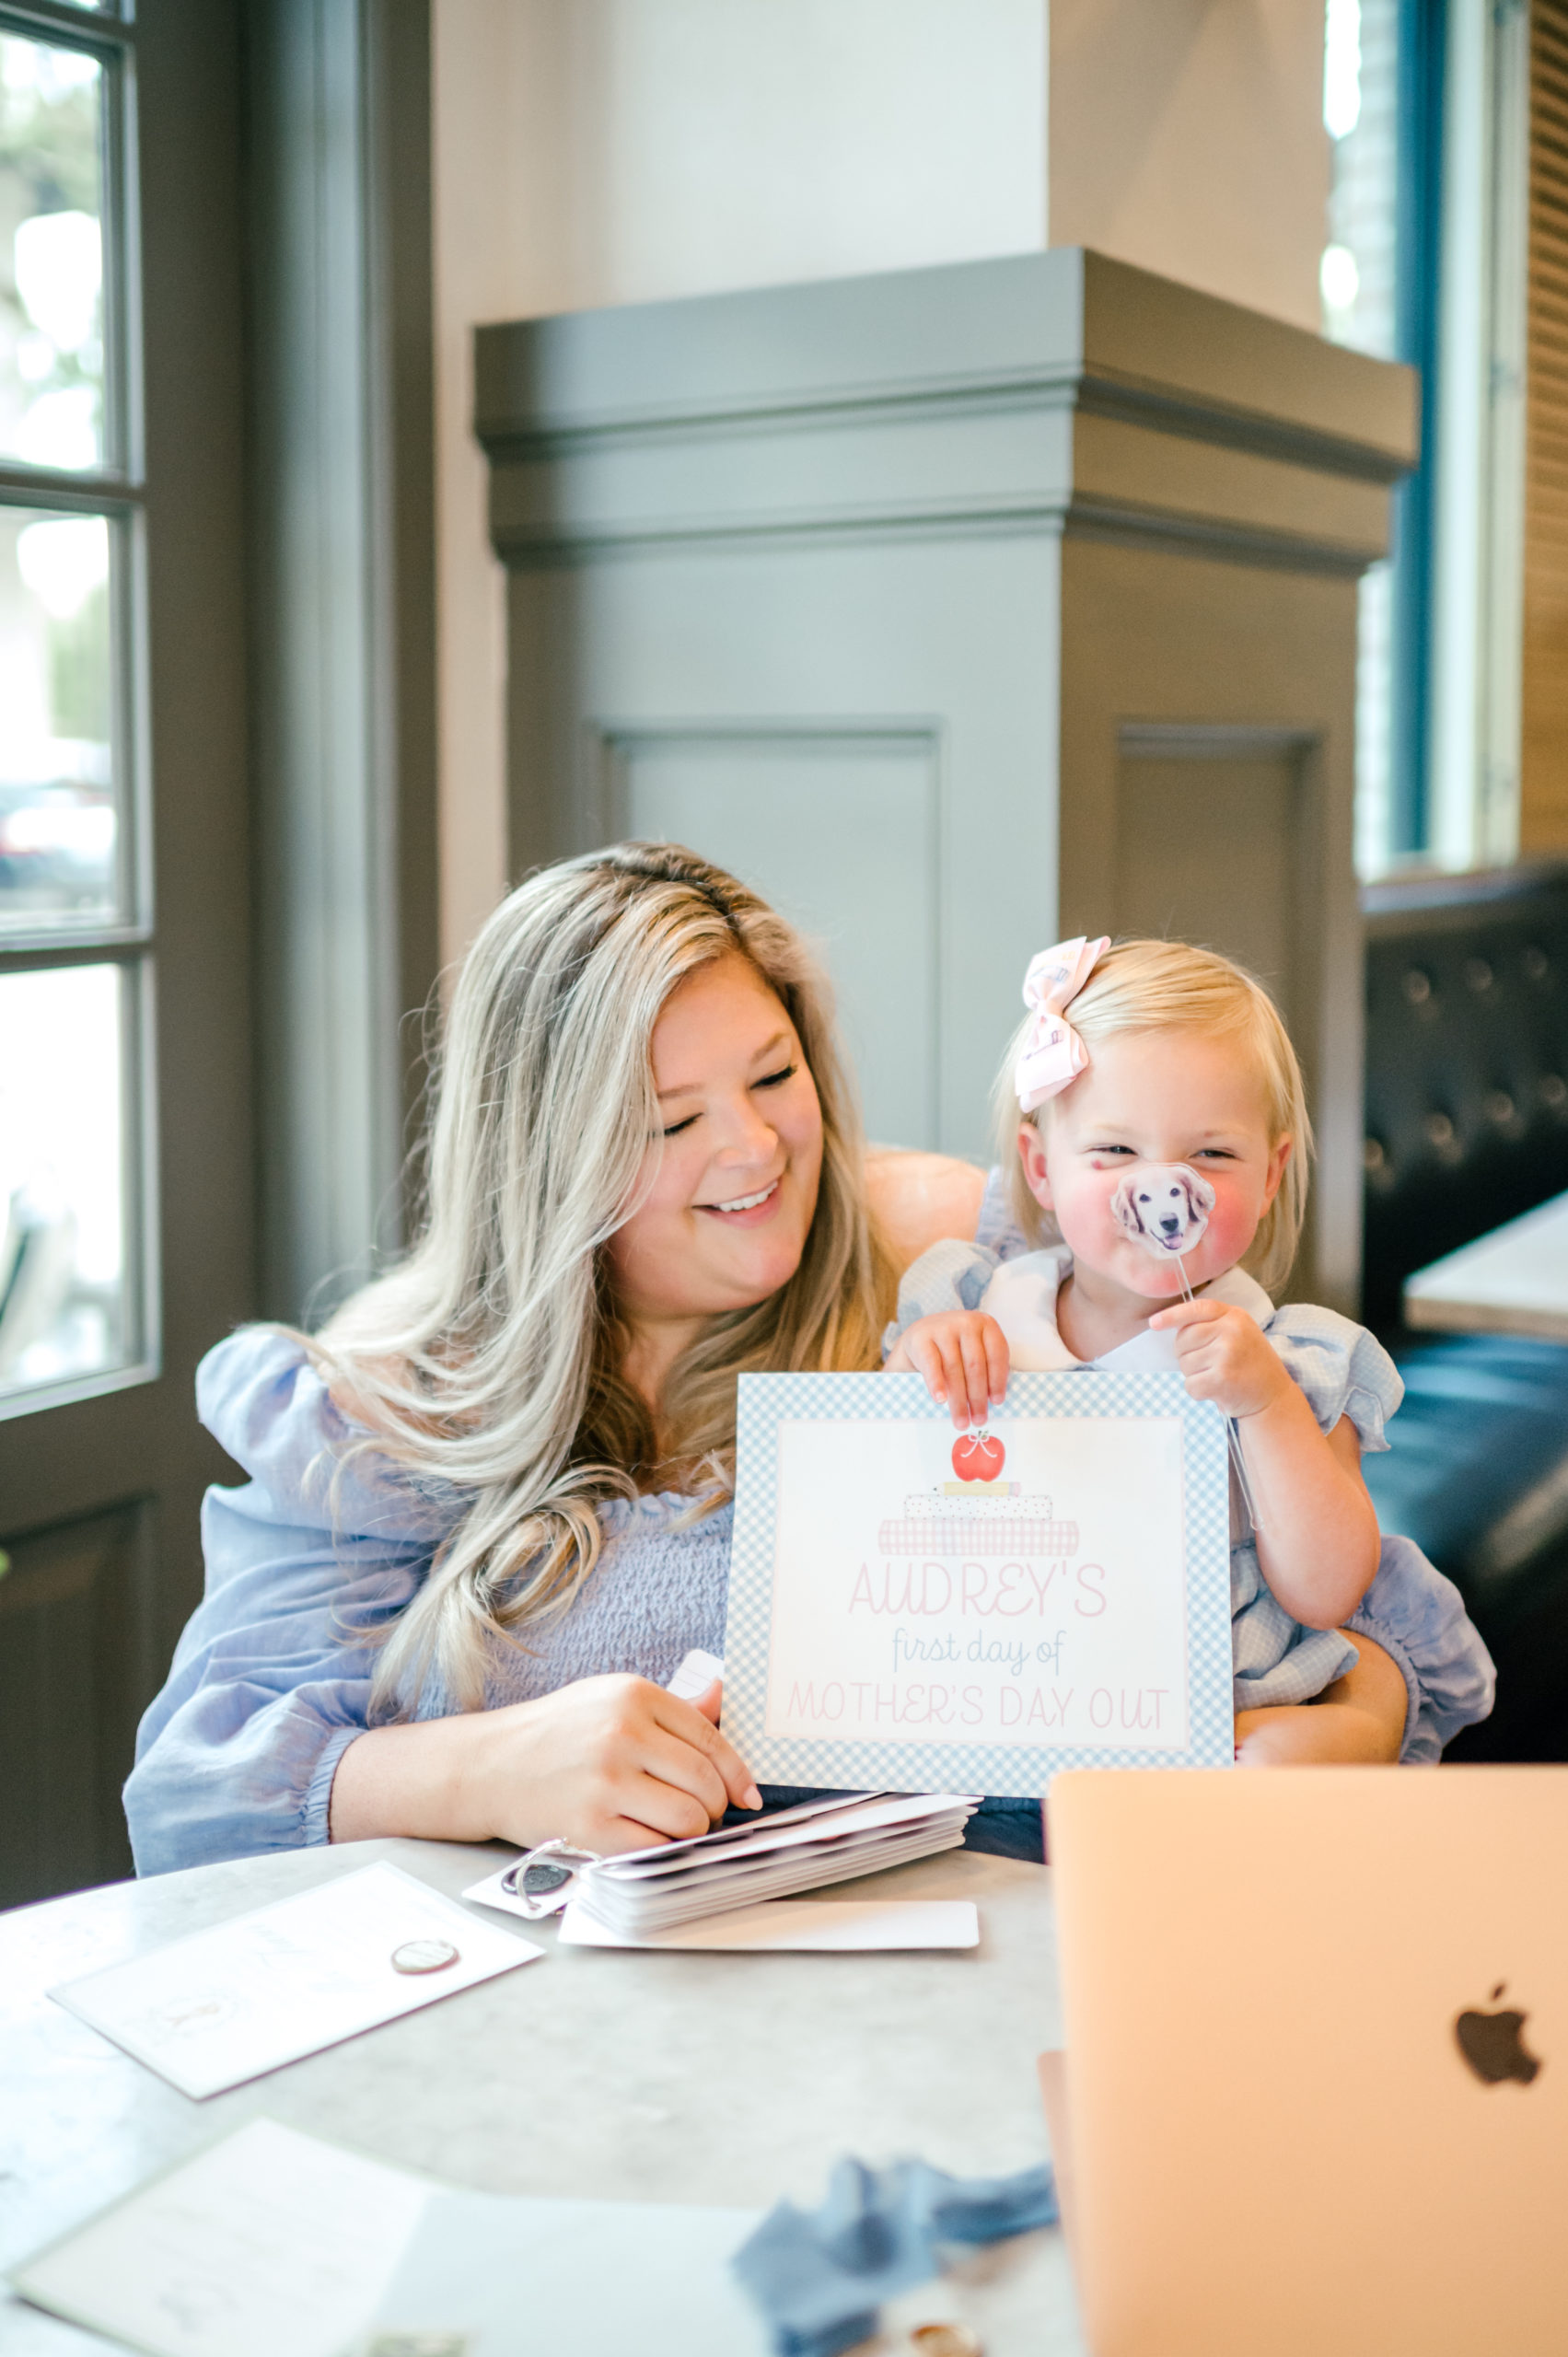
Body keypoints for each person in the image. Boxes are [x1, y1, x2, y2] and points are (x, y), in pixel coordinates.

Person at [124, 855, 1416, 1877]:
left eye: (771, 1075)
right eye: (670, 1121)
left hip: (962, 1963)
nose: (753, 1150)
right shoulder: (385, 1406)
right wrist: (489, 1770)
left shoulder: (960, 1281)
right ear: (545, 1159)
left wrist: (1344, 1724)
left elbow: (1347, 1597)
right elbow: (198, 1784)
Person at [883, 935, 1493, 1766]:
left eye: (1210, 1153)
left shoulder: (1294, 1359)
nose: (1159, 1187)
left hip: (1208, 1729)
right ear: (1039, 1168)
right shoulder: (982, 1306)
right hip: (1002, 1701)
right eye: (1114, 1152)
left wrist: (1266, 1407)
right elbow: (878, 1509)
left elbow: (1325, 1591)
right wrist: (922, 1360)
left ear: (1271, 1173)